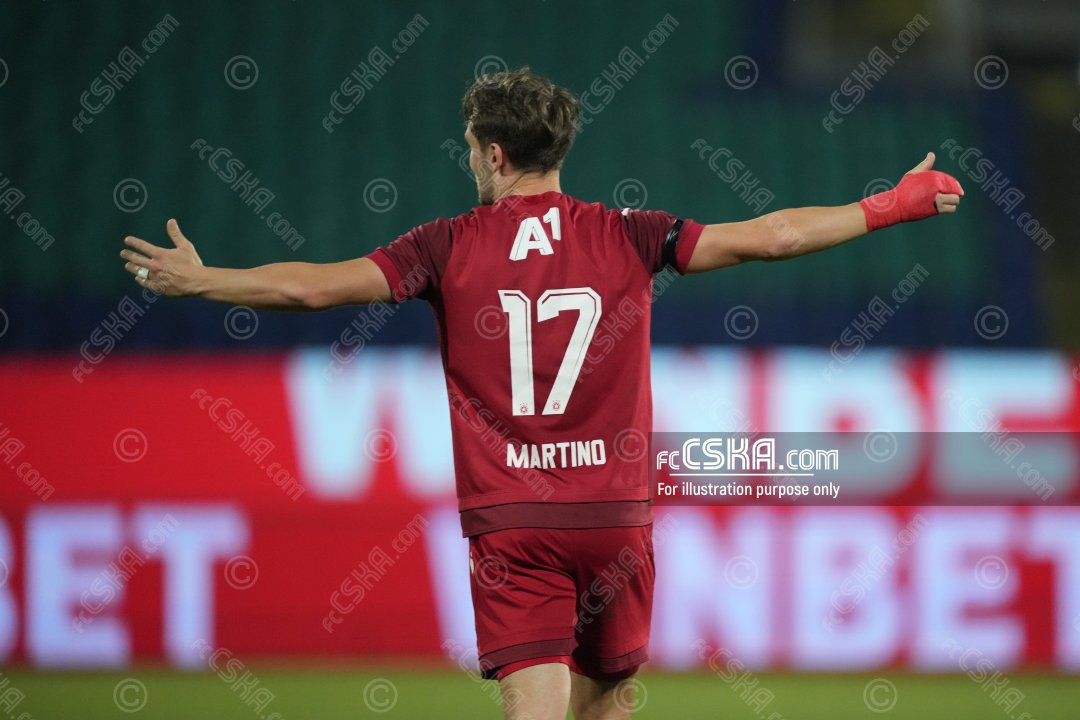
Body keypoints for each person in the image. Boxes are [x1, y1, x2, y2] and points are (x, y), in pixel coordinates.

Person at [119, 67, 963, 720]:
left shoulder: (444, 245)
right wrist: (888, 207)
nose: (469, 159)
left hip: (514, 521)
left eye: (469, 146)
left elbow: (311, 289)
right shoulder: (629, 234)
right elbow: (771, 237)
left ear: (494, 153)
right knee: (608, 703)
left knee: (533, 708)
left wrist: (205, 280)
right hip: (614, 517)